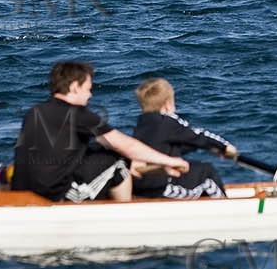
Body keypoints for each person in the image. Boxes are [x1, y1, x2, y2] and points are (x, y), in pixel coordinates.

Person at [12, 61, 189, 203]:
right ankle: (125, 215)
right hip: (54, 196)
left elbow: (104, 145)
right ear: (75, 87)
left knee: (105, 151)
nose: (90, 96)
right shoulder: (78, 114)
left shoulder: (35, 111)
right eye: (88, 89)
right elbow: (125, 145)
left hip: (21, 191)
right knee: (118, 163)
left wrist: (133, 161)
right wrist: (170, 160)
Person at [130, 78, 238, 200]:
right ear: (168, 103)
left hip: (139, 186)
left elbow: (169, 147)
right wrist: (225, 146)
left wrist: (204, 148)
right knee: (206, 172)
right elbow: (198, 135)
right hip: (163, 188)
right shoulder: (168, 122)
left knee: (194, 167)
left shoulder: (141, 123)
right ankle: (225, 207)